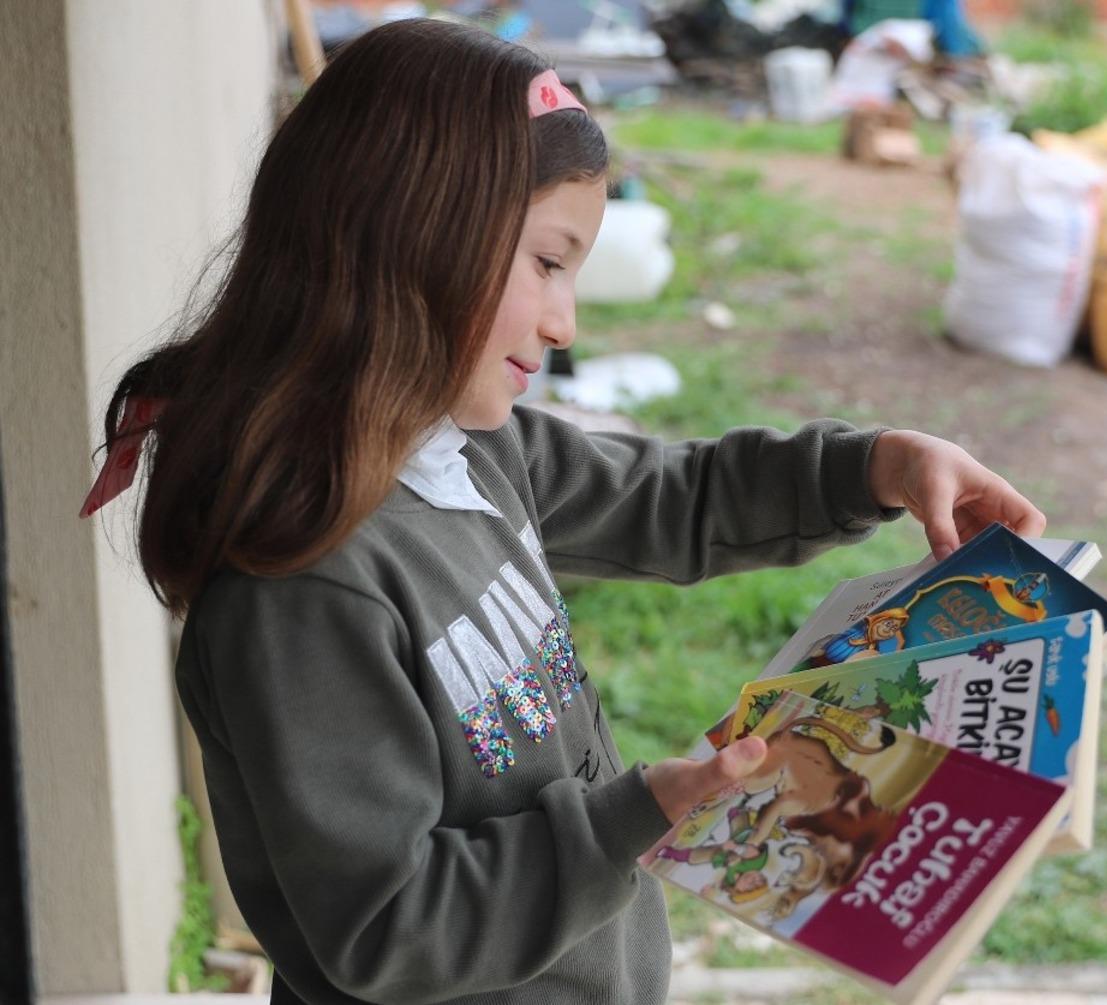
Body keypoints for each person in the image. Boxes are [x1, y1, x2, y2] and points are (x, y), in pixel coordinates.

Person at [82, 19, 1045, 1005]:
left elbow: (675, 500)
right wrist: (633, 818)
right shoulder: (302, 585)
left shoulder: (463, 450)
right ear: (414, 239)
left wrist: (876, 466)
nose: (565, 321)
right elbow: (388, 927)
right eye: (547, 262)